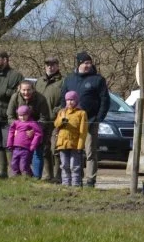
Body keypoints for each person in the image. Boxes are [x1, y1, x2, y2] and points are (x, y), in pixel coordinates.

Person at [61, 51, 110, 187]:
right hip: (72, 123)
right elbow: (62, 100)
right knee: (74, 151)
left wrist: (98, 118)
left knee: (90, 152)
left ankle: (90, 180)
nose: (88, 65)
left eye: (90, 62)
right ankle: (76, 179)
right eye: (85, 63)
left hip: (90, 121)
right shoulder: (69, 79)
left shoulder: (98, 80)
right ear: (79, 64)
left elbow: (105, 100)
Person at [8, 79, 51, 179]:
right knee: (18, 154)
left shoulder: (41, 99)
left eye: (28, 90)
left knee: (38, 152)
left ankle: (36, 177)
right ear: (19, 89)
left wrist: (34, 130)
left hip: (37, 129)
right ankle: (18, 175)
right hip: (19, 131)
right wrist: (17, 128)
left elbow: (44, 118)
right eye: (23, 90)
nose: (26, 92)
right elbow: (10, 116)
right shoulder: (15, 97)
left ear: (33, 89)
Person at [34, 56, 65, 182]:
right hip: (41, 120)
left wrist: (55, 111)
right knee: (44, 149)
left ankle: (58, 176)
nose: (50, 67)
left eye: (53, 64)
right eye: (47, 64)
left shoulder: (63, 81)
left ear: (57, 66)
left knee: (56, 148)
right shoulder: (39, 81)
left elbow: (65, 101)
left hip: (56, 120)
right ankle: (48, 175)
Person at [53, 91, 88, 187]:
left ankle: (76, 184)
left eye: (72, 100)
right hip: (62, 143)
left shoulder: (81, 113)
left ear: (76, 100)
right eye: (68, 100)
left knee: (75, 166)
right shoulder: (62, 112)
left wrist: (80, 145)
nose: (70, 102)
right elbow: (56, 124)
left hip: (75, 144)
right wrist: (62, 119)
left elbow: (83, 131)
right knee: (64, 165)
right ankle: (65, 184)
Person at [7, 106, 43, 177]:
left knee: (24, 165)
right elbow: (11, 132)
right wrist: (10, 143)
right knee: (14, 164)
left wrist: (33, 145)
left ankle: (28, 177)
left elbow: (38, 133)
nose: (22, 118)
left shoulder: (31, 123)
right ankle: (16, 178)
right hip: (16, 148)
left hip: (26, 149)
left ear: (28, 114)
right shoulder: (16, 123)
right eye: (20, 116)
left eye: (24, 115)